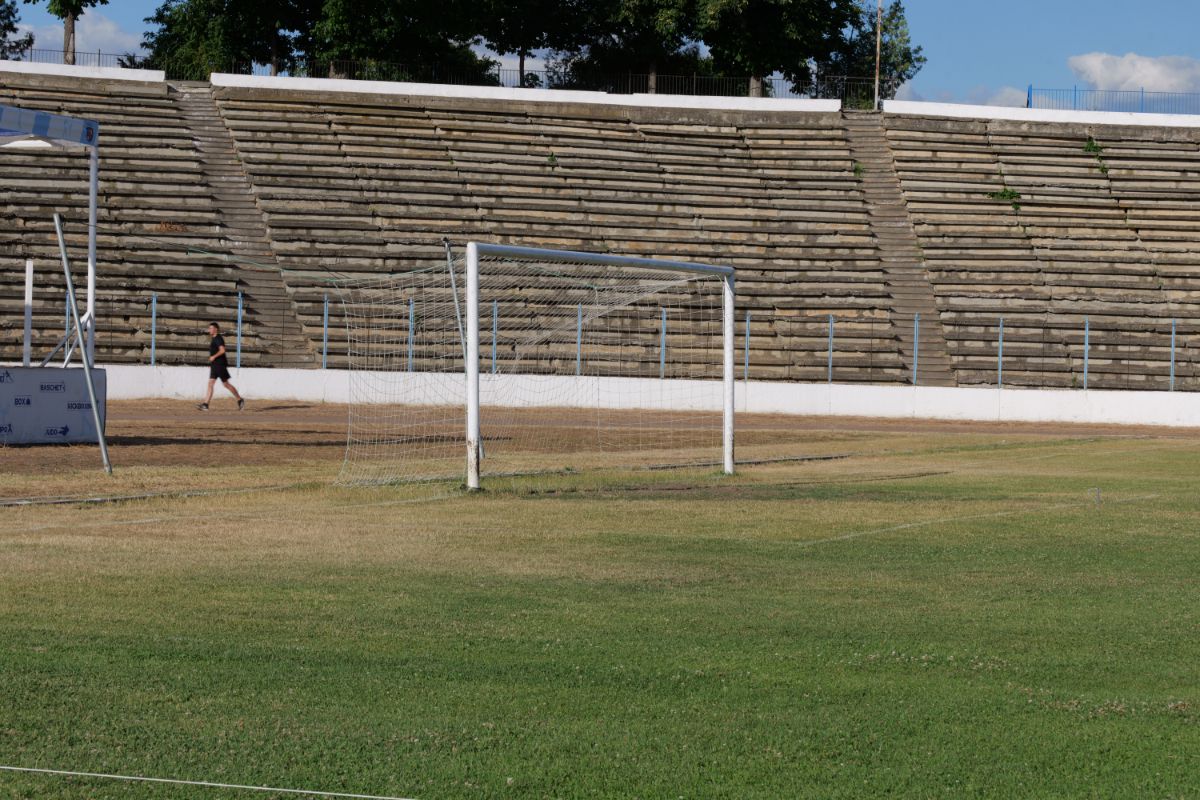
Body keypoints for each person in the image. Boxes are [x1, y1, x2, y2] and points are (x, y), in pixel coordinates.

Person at [198, 322, 245, 411]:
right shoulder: (214, 338)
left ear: (216, 329)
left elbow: (222, 350)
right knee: (210, 383)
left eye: (211, 328)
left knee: (226, 384)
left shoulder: (218, 338)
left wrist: (213, 357)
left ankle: (240, 399)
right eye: (209, 328)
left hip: (220, 365)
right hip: (215, 365)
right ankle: (205, 404)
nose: (209, 330)